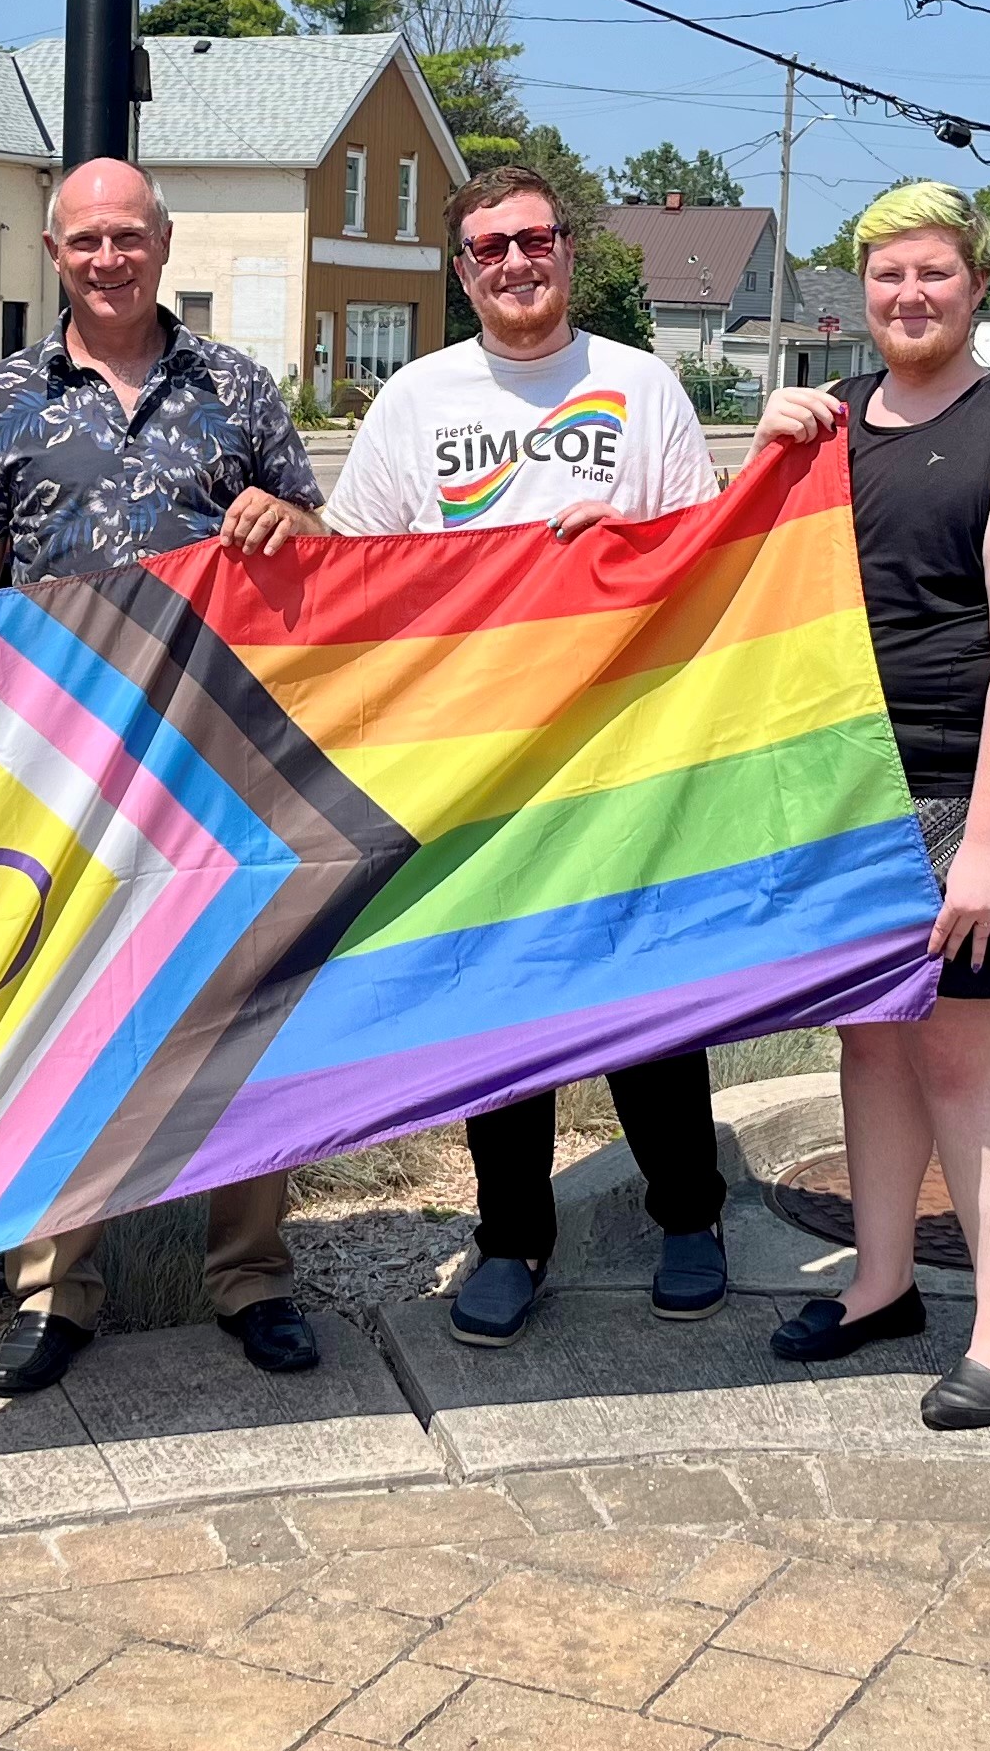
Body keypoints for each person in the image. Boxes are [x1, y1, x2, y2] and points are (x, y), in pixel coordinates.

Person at [300, 163, 730, 1344]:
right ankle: (511, 1237)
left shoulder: (638, 387)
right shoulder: (418, 399)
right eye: (488, 249)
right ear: (460, 272)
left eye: (533, 240)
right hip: (478, 762)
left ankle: (691, 1214)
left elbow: (700, 560)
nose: (514, 264)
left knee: (648, 994)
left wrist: (631, 541)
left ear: (566, 251)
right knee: (503, 1009)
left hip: (619, 751)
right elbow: (356, 576)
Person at [0, 156, 329, 1394]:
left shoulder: (238, 388)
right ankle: (53, 1294)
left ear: (162, 243)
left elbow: (326, 551)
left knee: (242, 1012)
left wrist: (285, 524)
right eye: (85, 240)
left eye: (128, 236)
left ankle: (252, 1276)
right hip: (57, 762)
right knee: (57, 1020)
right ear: (55, 253)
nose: (109, 258)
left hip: (222, 750)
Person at [751, 183, 990, 1430]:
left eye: (934, 273)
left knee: (961, 1051)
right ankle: (880, 1284)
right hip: (841, 789)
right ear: (861, 292)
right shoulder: (830, 425)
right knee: (868, 1038)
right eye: (888, 276)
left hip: (957, 793)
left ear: (976, 285)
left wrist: (989, 846)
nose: (910, 295)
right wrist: (765, 450)